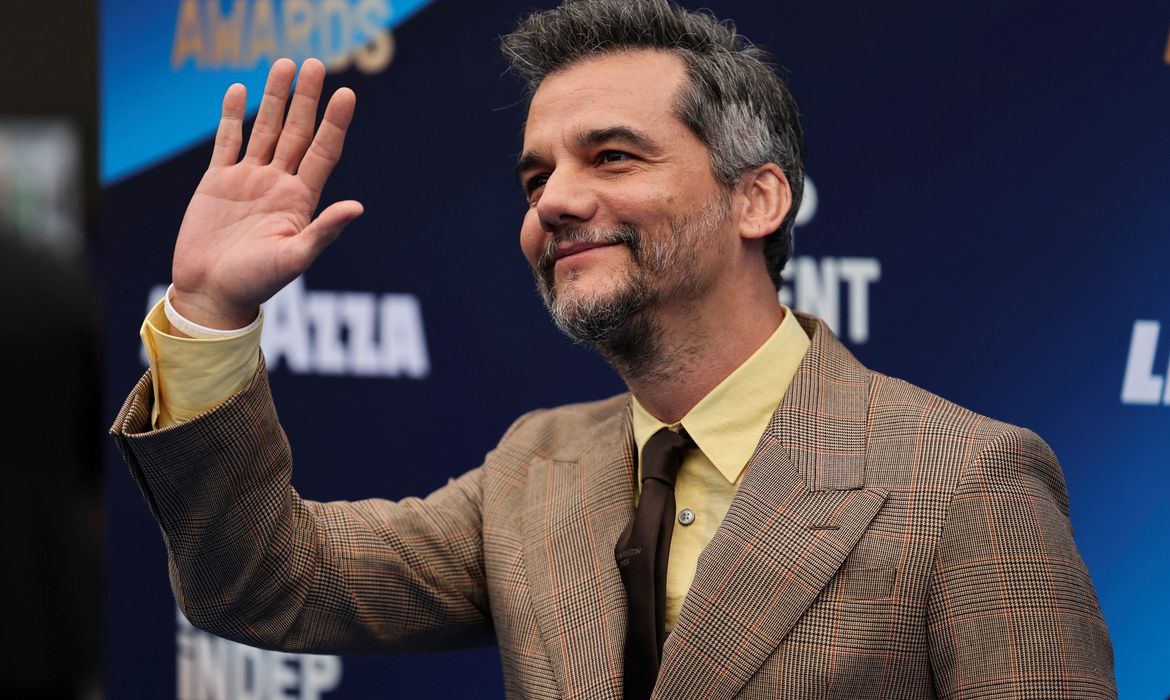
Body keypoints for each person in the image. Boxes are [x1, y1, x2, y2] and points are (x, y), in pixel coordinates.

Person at [110, 0, 1116, 697]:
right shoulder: (536, 468)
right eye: (534, 176)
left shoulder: (968, 482)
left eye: (613, 155)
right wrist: (205, 309)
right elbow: (266, 581)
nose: (555, 200)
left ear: (757, 197)